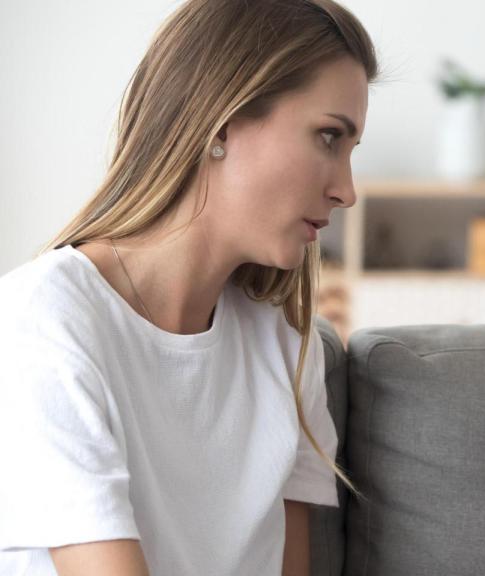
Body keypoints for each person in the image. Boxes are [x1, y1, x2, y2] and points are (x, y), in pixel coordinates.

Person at [0, 1, 376, 574]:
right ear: (221, 120)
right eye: (328, 137)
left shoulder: (284, 349)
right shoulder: (44, 322)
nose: (346, 191)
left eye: (350, 151)